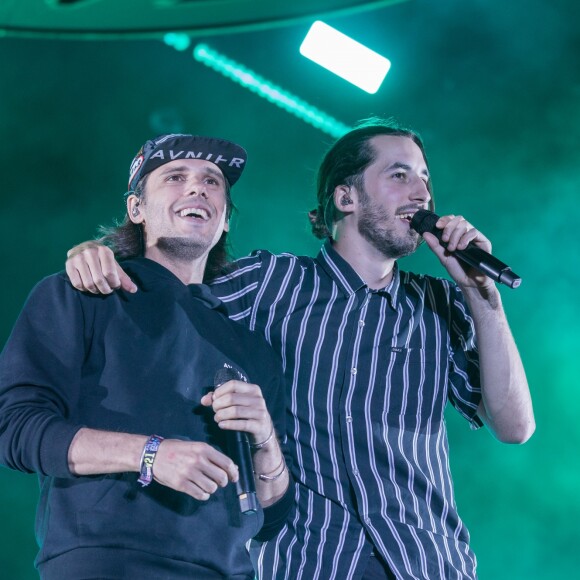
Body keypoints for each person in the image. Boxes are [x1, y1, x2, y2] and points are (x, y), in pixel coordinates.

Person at [64, 118, 535, 580]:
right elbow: (163, 282)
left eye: (425, 178)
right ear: (346, 197)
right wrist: (98, 253)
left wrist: (481, 294)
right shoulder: (272, 282)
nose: (422, 193)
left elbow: (515, 426)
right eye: (400, 174)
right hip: (309, 559)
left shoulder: (441, 303)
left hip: (426, 559)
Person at [0, 133, 293, 579]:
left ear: (226, 220)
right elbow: (13, 428)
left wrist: (266, 440)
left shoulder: (255, 351)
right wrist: (151, 454)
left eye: (212, 183)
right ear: (136, 209)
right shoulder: (81, 295)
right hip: (107, 563)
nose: (197, 189)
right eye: (175, 177)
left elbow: (272, 518)